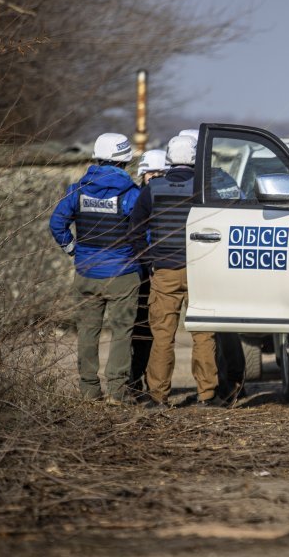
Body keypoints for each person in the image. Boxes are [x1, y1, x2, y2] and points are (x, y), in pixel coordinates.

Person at [129, 135, 222, 409]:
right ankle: (208, 395)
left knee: (162, 336)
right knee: (203, 334)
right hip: (200, 271)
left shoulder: (153, 188)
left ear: (169, 158)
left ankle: (158, 396)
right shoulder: (205, 187)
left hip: (164, 272)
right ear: (195, 158)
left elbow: (134, 230)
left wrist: (149, 259)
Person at [49, 132, 141, 405]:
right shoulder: (131, 193)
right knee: (122, 331)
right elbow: (143, 234)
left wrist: (73, 249)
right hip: (122, 273)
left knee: (88, 332)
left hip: (86, 272)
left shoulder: (77, 190)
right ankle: (118, 391)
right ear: (125, 161)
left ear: (97, 158)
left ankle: (89, 392)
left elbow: (57, 224)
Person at [128, 149, 169, 395]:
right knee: (140, 329)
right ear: (142, 174)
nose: (154, 176)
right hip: (142, 271)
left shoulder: (164, 197)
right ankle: (135, 381)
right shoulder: (136, 197)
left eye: (159, 172)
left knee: (156, 331)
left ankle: (147, 381)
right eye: (150, 172)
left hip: (159, 269)